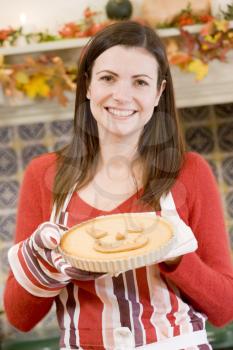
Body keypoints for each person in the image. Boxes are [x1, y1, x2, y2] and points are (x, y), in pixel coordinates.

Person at [4, 21, 233, 350]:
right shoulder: (45, 175)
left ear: (158, 93)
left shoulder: (190, 171)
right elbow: (18, 317)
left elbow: (225, 309)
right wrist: (48, 260)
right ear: (87, 86)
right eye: (108, 78)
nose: (121, 95)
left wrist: (173, 255)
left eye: (140, 82)